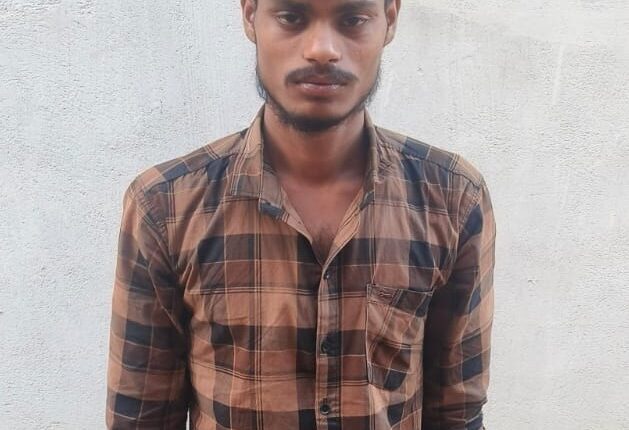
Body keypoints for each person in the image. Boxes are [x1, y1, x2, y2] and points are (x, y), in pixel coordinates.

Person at [106, 0, 497, 428]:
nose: (322, 49)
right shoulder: (166, 206)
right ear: (250, 15)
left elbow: (457, 413)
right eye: (292, 17)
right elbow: (140, 417)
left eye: (352, 19)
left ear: (389, 19)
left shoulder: (451, 199)